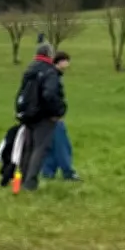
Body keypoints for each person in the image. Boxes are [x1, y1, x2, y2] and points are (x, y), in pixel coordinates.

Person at [14, 41, 66, 191]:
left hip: (27, 114)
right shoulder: (50, 72)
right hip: (43, 116)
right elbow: (49, 94)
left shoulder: (29, 69)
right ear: (50, 54)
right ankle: (30, 183)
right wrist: (58, 111)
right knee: (40, 148)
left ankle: (21, 179)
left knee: (28, 148)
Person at [40, 52, 82, 181]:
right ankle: (68, 172)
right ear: (60, 62)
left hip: (45, 118)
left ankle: (48, 172)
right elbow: (49, 95)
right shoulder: (53, 76)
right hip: (53, 118)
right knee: (63, 146)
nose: (68, 64)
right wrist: (57, 111)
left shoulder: (50, 74)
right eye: (66, 61)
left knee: (50, 146)